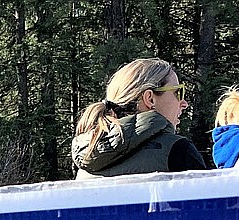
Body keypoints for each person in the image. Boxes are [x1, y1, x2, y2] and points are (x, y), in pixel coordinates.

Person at [72, 58, 206, 179]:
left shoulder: (88, 157)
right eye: (178, 92)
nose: (184, 103)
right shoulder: (178, 151)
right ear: (150, 98)